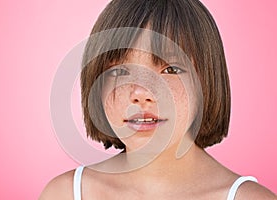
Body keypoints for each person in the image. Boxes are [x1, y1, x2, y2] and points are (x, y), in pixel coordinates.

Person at [40, 0, 277, 199]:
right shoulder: (65, 194)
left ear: (206, 82)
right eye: (119, 71)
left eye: (171, 70)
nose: (141, 93)